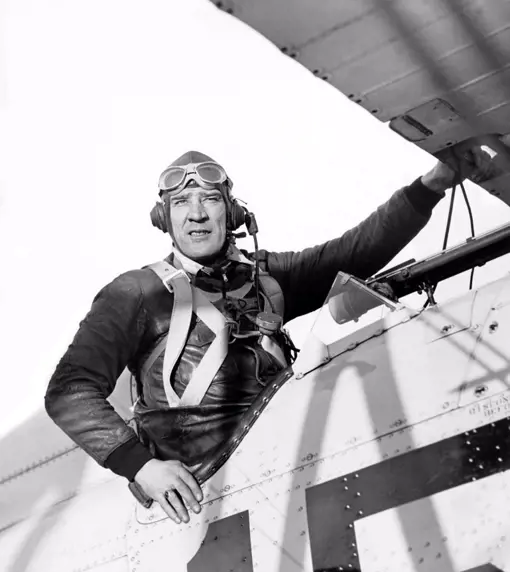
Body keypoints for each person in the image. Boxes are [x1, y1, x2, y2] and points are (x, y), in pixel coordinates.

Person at [44, 149, 484, 525]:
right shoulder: (137, 293)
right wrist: (141, 468)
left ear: (231, 213)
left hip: (288, 477)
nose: (196, 213)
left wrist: (432, 185)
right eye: (181, 202)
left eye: (210, 200)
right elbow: (70, 391)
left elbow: (354, 251)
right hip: (205, 502)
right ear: (165, 217)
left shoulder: (267, 278)